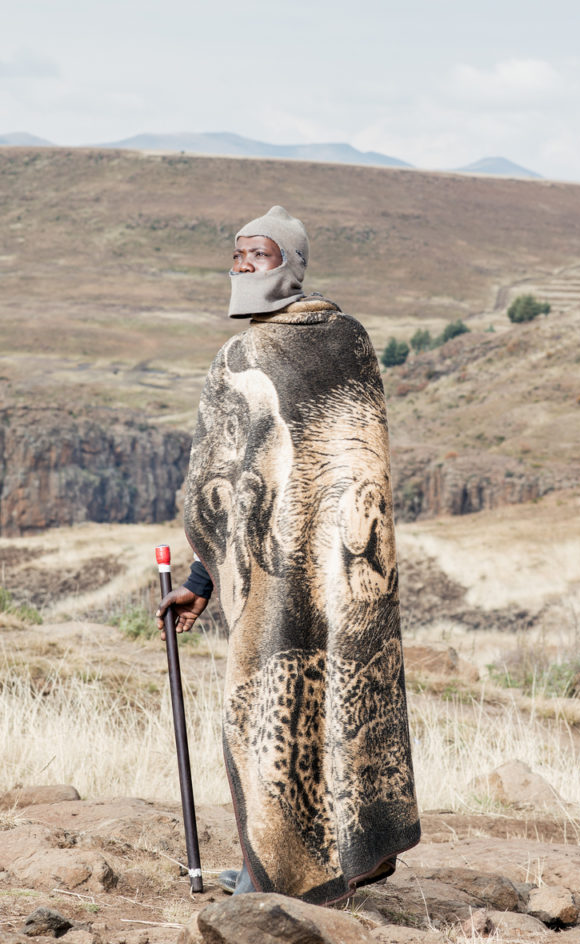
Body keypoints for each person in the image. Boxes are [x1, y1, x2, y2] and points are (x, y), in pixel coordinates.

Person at [157, 206, 420, 906]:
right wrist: (201, 583)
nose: (243, 266)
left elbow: (363, 471)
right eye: (238, 254)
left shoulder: (344, 344)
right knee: (266, 721)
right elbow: (230, 493)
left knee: (341, 703)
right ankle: (270, 871)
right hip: (268, 585)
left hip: (340, 576)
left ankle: (348, 861)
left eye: (259, 254)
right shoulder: (239, 357)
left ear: (291, 262)